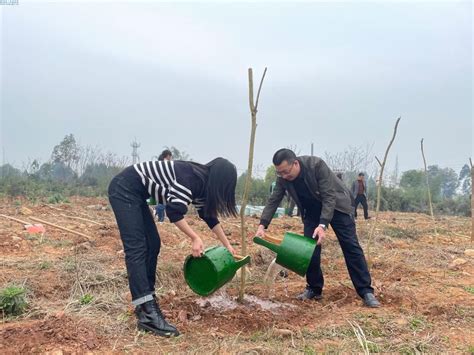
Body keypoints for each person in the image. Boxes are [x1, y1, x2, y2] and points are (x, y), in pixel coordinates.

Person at [108, 157, 238, 337]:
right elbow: (174, 212)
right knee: (137, 248)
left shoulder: (202, 185)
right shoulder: (191, 178)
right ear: (220, 182)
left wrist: (228, 245)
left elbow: (209, 217)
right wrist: (195, 237)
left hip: (135, 194)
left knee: (152, 244)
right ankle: (148, 313)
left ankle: (146, 303)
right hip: (124, 189)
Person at [255, 149, 380, 308]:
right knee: (310, 250)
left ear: (295, 163)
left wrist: (323, 225)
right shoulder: (283, 177)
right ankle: (314, 288)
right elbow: (274, 199)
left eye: (286, 172)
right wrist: (262, 224)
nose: (284, 176)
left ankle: (365, 291)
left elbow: (329, 196)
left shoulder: (316, 165)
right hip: (312, 211)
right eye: (280, 173)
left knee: (350, 246)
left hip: (338, 207)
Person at [155, 149, 173, 223]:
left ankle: (161, 218)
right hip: (164, 185)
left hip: (159, 184)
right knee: (163, 203)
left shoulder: (159, 162)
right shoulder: (166, 163)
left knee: (163, 201)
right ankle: (160, 217)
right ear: (168, 156)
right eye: (171, 156)